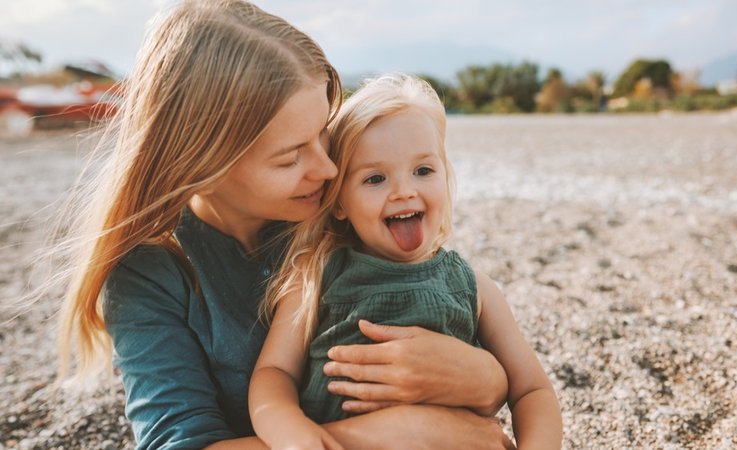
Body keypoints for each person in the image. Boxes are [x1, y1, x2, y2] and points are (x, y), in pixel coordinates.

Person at [55, 1, 514, 449]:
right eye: (291, 156)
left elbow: (454, 313)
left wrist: (486, 380)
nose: (328, 170)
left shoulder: (339, 215)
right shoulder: (149, 272)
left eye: (323, 136)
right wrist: (404, 434)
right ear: (203, 163)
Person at [248, 74, 562, 450]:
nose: (404, 191)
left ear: (446, 177)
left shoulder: (473, 287)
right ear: (340, 202)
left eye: (423, 171)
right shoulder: (316, 276)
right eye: (376, 178)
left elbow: (532, 390)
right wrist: (290, 432)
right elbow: (274, 371)